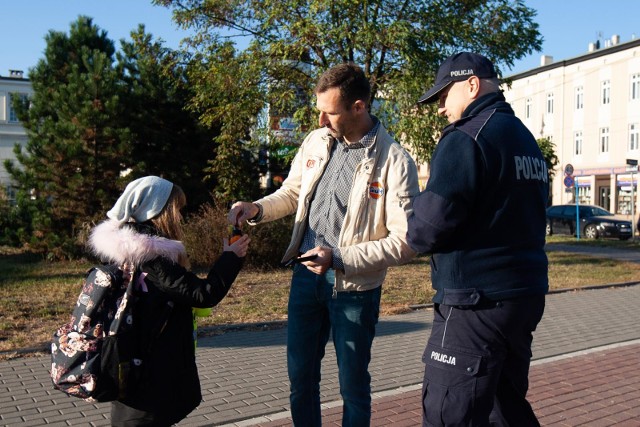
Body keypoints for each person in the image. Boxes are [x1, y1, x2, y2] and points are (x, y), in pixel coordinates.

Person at [228, 63, 419, 426]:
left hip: (354, 288)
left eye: (330, 112)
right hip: (305, 278)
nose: (321, 119)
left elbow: (406, 241)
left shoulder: (394, 161)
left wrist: (339, 258)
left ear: (359, 107)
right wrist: (256, 208)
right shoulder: (317, 140)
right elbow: (293, 192)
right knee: (300, 380)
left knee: (353, 387)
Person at [406, 52, 549, 426]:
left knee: (448, 414)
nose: (440, 108)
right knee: (506, 409)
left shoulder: (466, 137)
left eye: (443, 96)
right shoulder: (524, 138)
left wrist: (412, 214)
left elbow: (428, 228)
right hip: (522, 297)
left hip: (474, 302)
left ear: (471, 85)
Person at [88, 175, 250, 426]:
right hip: (148, 382)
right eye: (177, 210)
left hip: (136, 369)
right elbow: (202, 294)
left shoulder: (129, 249)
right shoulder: (150, 256)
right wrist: (231, 258)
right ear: (158, 211)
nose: (181, 217)